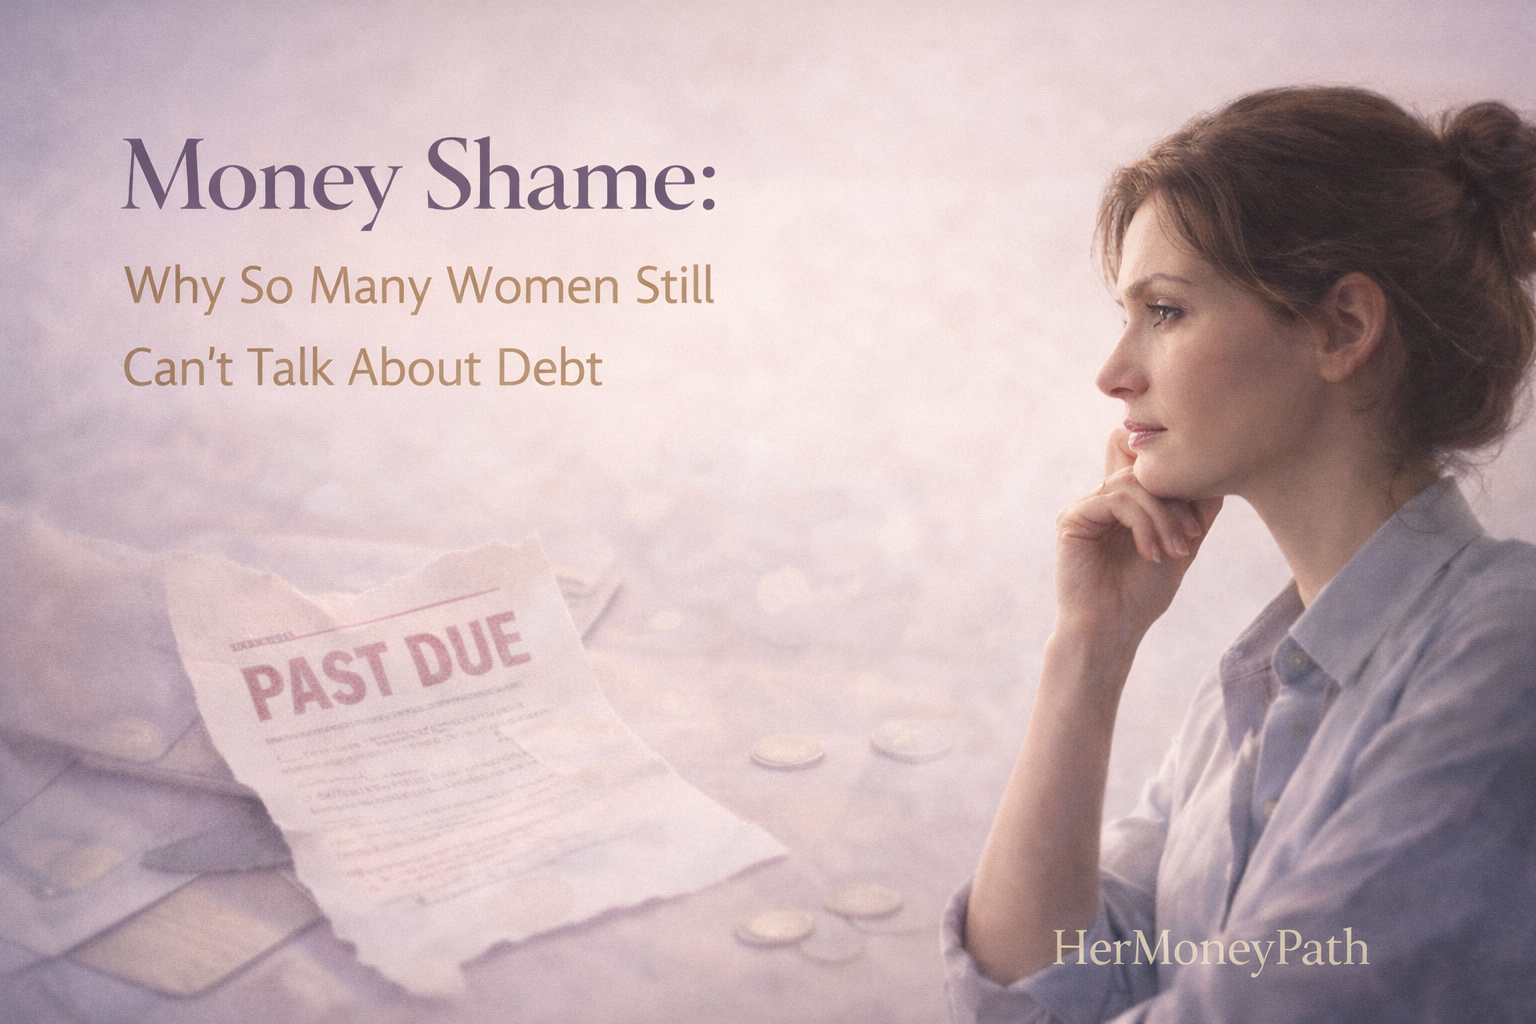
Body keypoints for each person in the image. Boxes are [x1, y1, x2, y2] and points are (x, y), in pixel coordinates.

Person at [943, 86, 1536, 1022]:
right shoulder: (1248, 704)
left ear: (1343, 327)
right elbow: (1038, 993)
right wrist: (1090, 651)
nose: (1112, 372)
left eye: (1166, 311)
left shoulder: (1508, 653)